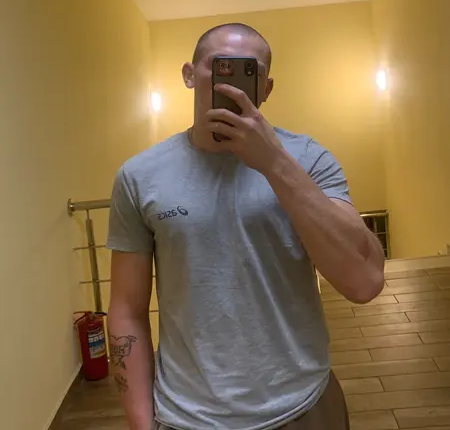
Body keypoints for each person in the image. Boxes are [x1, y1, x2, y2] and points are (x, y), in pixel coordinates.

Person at [107, 22, 385, 430]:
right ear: (189, 74)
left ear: (266, 89)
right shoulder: (139, 176)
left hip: (304, 404)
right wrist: (140, 424)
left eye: (248, 71)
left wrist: (274, 163)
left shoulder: (308, 159)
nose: (231, 82)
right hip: (188, 416)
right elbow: (127, 310)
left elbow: (365, 282)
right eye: (219, 66)